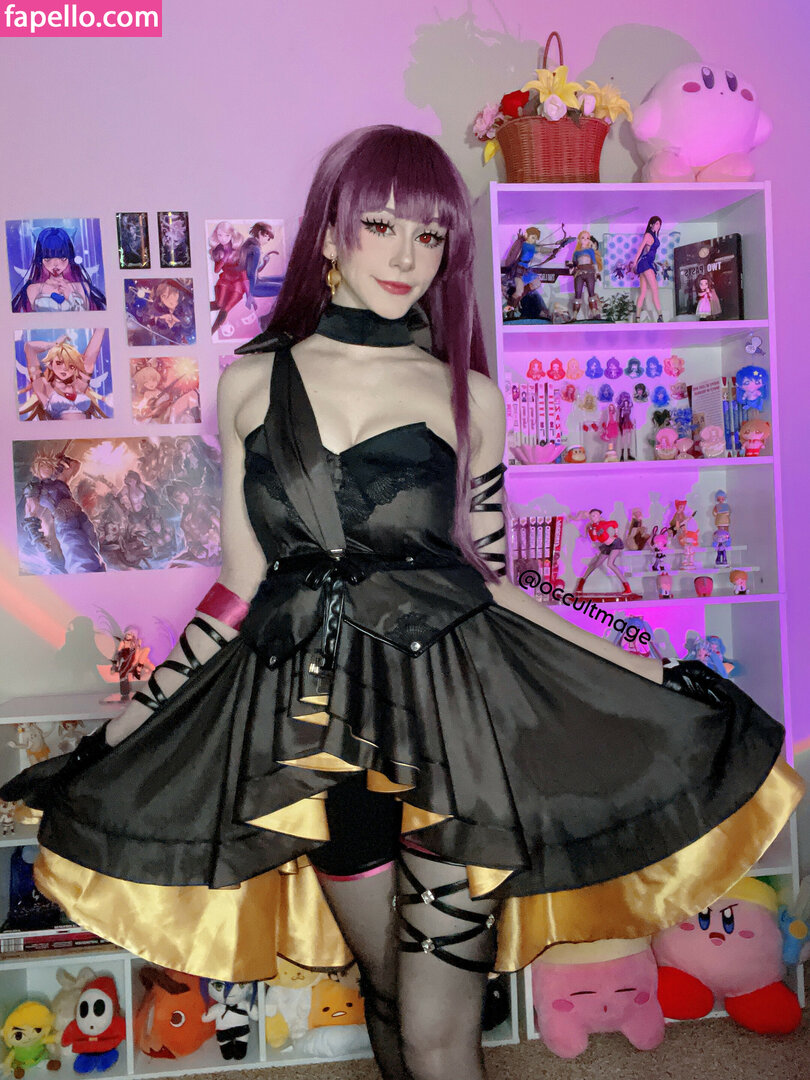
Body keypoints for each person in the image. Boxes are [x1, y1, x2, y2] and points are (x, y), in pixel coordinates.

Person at [2, 126, 802, 1080]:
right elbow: (240, 586)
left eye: (429, 235)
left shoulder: (469, 396)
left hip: (452, 723)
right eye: (380, 225)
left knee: (437, 1028)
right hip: (308, 732)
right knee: (384, 986)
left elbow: (499, 581)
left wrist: (652, 663)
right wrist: (120, 733)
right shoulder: (250, 383)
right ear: (329, 235)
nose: (406, 255)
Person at [631, 215, 663, 322]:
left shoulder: (653, 235)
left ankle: (637, 318)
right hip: (645, 263)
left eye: (659, 224)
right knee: (654, 289)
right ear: (651, 225)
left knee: (643, 292)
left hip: (646, 263)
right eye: (657, 223)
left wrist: (636, 263)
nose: (658, 226)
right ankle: (660, 316)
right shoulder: (648, 235)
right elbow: (640, 248)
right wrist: (634, 263)